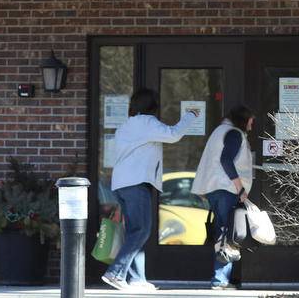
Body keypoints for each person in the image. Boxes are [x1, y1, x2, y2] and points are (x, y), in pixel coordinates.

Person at [102, 88, 199, 292]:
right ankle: (116, 272)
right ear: (152, 105)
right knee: (142, 230)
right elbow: (173, 135)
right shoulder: (147, 122)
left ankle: (137, 279)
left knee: (135, 232)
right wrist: (190, 115)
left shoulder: (126, 126)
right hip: (136, 184)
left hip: (121, 184)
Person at [191, 104, 255, 290]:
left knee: (223, 231)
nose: (252, 125)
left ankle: (221, 278)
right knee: (227, 234)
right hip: (226, 188)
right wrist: (240, 188)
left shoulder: (218, 131)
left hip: (213, 188)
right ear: (244, 120)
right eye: (250, 120)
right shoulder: (234, 133)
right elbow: (226, 160)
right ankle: (220, 279)